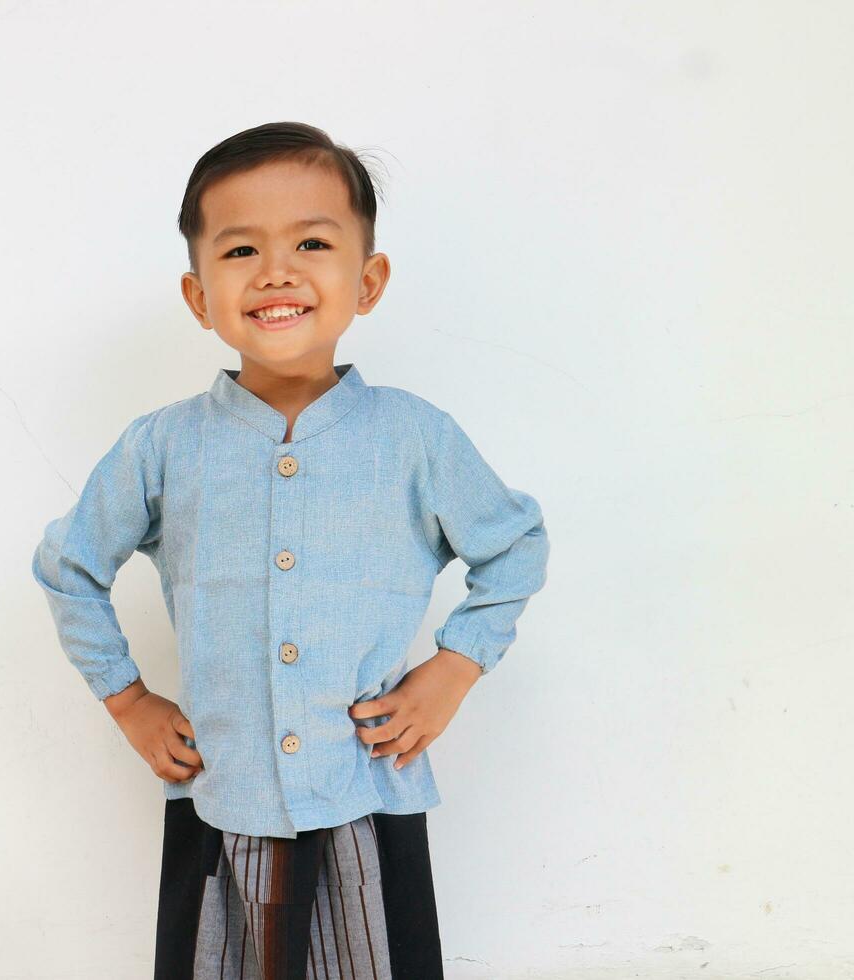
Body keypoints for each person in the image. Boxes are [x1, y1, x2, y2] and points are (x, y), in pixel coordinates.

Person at [30, 121, 552, 979]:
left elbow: (515, 546)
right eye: (240, 250)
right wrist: (127, 700)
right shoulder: (161, 448)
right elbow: (69, 567)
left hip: (365, 793)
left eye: (312, 241)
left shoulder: (415, 438)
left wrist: (454, 667)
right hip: (223, 801)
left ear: (367, 279)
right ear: (199, 297)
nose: (276, 271)